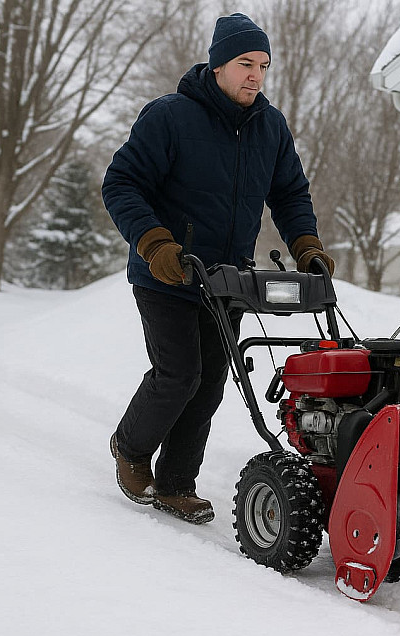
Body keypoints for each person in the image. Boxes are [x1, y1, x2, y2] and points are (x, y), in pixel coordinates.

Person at [102, 13, 334, 524]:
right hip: (166, 272)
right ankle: (131, 447)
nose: (256, 75)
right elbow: (121, 183)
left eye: (264, 65)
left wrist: (306, 246)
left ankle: (176, 484)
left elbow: (290, 193)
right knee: (179, 373)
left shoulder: (269, 127)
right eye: (245, 63)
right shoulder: (170, 116)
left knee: (209, 383)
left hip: (226, 280)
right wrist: (154, 243)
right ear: (218, 65)